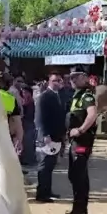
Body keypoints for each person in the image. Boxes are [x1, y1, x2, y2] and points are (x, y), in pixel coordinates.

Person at [63, 65, 98, 214]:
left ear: (85, 77)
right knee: (75, 175)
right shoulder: (76, 96)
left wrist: (81, 130)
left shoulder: (86, 96)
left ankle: (79, 212)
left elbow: (92, 115)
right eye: (71, 77)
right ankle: (79, 210)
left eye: (76, 76)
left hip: (82, 141)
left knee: (78, 175)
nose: (73, 79)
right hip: (75, 141)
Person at [34, 72, 67, 202]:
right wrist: (45, 134)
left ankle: (48, 191)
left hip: (57, 136)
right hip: (47, 137)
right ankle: (42, 193)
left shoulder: (59, 95)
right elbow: (39, 118)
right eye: (54, 81)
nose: (57, 83)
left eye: (59, 80)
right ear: (49, 82)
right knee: (45, 165)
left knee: (51, 165)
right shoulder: (44, 97)